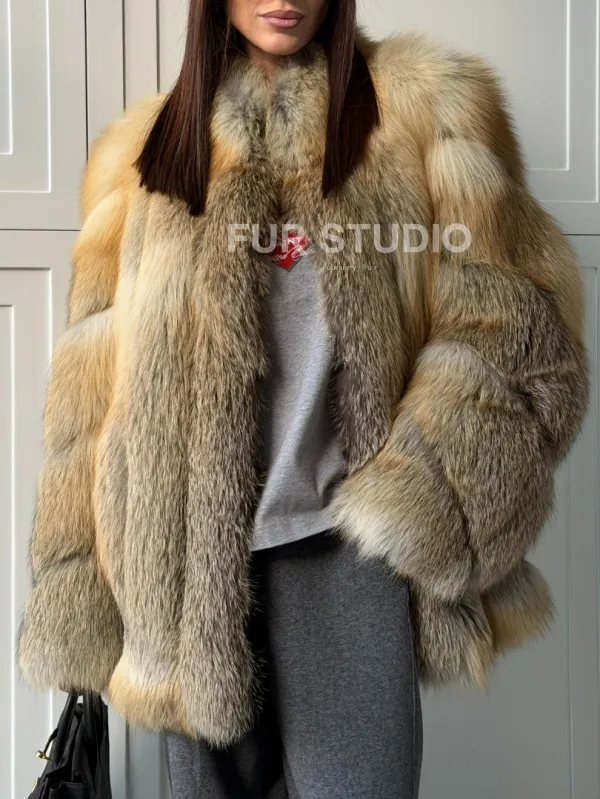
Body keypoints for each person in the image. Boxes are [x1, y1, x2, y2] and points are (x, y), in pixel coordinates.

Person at [17, 1, 589, 797]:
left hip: (348, 561)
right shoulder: (144, 155)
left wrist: (420, 498)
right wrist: (82, 594)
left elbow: (522, 329)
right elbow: (90, 399)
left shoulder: (427, 112)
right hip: (181, 573)